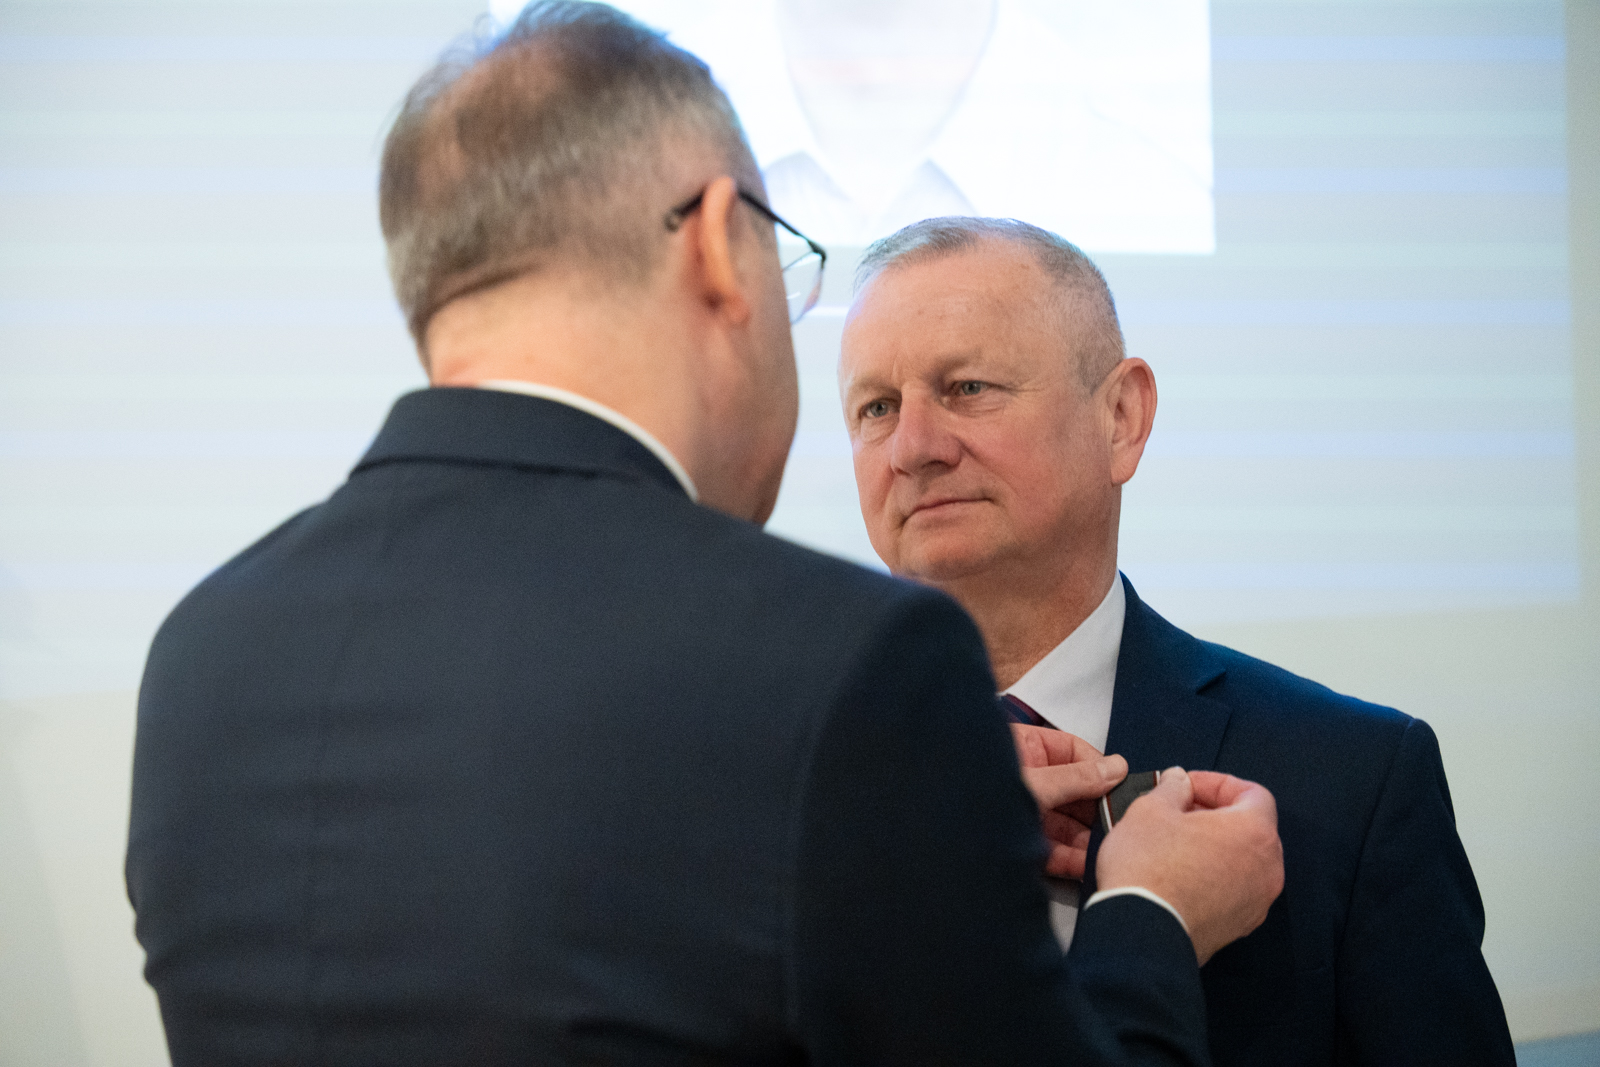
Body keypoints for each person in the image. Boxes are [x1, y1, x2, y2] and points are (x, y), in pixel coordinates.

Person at [125, 5, 1284, 1065]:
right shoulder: (841, 658)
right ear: (720, 247)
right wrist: (1148, 913)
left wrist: (915, 830)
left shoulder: (202, 650)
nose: (911, 441)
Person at [837, 215, 1517, 1067]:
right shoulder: (806, 786)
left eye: (968, 387)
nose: (912, 447)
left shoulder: (1353, 781)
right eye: (877, 407)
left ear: (1122, 417)